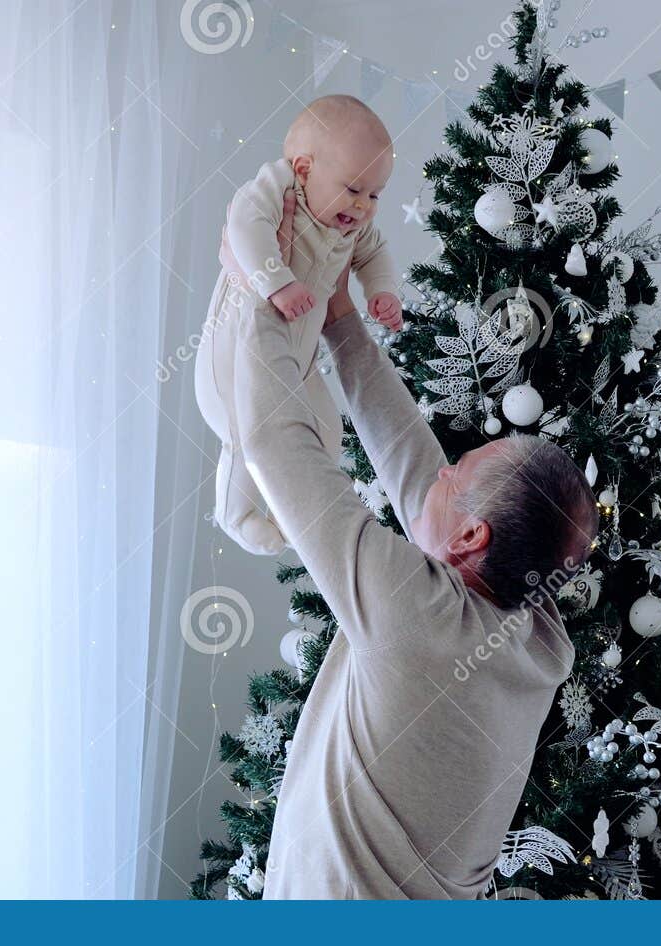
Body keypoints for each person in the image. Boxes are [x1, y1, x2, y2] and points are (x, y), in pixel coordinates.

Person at [216, 190, 598, 899]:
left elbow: (274, 442)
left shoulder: (414, 617)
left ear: (472, 537)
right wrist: (338, 319)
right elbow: (411, 463)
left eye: (459, 475)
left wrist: (260, 300)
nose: (440, 472)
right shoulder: (540, 638)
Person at [195, 94, 403, 557]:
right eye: (353, 189)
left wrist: (382, 291)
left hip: (297, 360)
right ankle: (236, 515)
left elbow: (375, 254)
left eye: (374, 194)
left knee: (326, 434)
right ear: (305, 168)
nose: (364, 206)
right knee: (245, 427)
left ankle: (294, 509)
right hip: (232, 351)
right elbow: (244, 225)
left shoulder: (352, 226)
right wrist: (275, 282)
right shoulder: (278, 186)